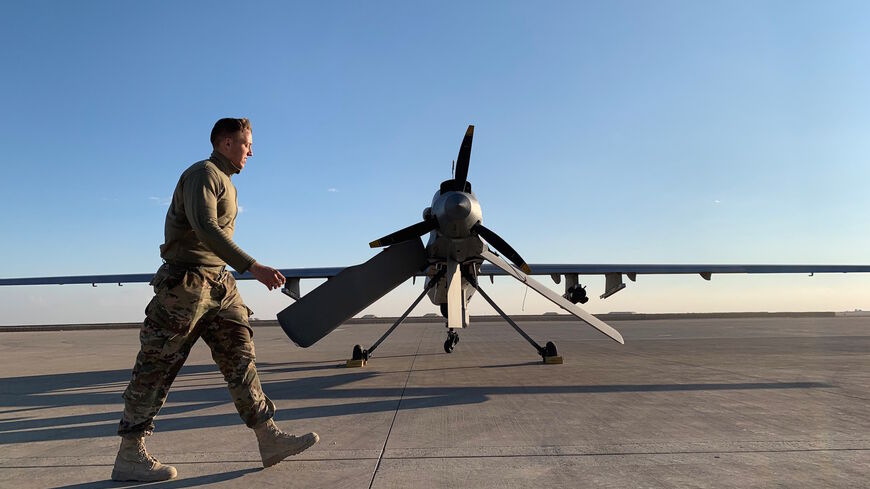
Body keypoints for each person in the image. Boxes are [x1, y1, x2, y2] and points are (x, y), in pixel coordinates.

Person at [111, 118, 318, 482]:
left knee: (241, 357)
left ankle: (268, 438)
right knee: (156, 366)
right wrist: (252, 266)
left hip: (220, 283)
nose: (251, 151)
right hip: (186, 284)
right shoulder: (203, 174)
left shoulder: (228, 183)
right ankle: (130, 454)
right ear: (225, 143)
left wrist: (235, 271)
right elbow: (206, 227)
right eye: (245, 144)